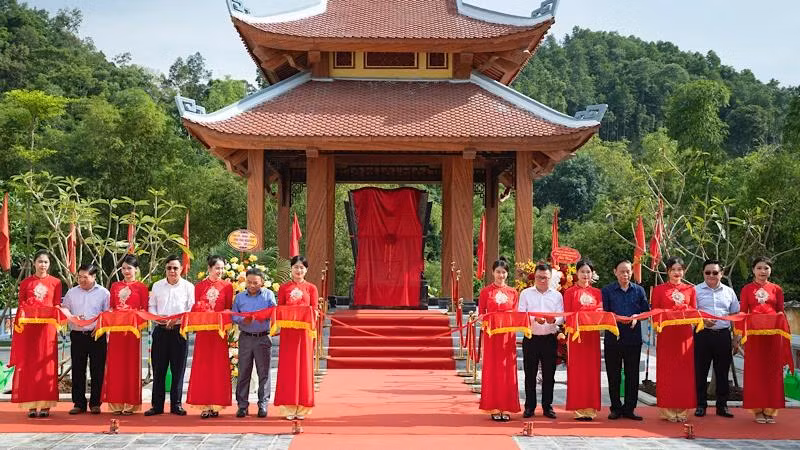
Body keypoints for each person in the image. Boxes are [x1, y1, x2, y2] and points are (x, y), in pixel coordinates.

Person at [10, 250, 63, 418]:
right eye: (40, 261)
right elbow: (21, 306)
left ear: (50, 264)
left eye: (46, 262)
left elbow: (56, 306)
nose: (43, 265)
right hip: (29, 331)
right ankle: (31, 405)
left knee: (46, 366)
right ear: (34, 263)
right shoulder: (26, 283)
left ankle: (46, 405)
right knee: (29, 366)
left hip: (47, 330)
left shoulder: (56, 283)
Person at [144, 255, 194, 416]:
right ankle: (157, 405)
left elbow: (191, 308)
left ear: (181, 269)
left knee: (178, 369)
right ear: (165, 269)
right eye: (169, 268)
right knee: (159, 369)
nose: (172, 271)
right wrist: (158, 319)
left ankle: (176, 405)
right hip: (160, 330)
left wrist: (177, 320)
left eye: (175, 268)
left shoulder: (188, 286)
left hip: (179, 331)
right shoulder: (157, 286)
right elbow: (151, 306)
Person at [187, 255, 234, 418]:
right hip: (204, 334)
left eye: (222, 268)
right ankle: (204, 405)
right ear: (209, 268)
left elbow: (228, 309)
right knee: (203, 366)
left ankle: (216, 404)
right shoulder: (199, 287)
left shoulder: (228, 287)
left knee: (218, 367)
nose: (220, 271)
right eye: (217, 268)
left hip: (219, 334)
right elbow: (197, 308)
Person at [651, 256, 697, 423]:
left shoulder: (690, 289)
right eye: (673, 270)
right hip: (667, 335)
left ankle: (682, 410)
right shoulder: (659, 290)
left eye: (680, 269)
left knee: (684, 373)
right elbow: (655, 312)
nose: (677, 273)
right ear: (668, 271)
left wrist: (684, 309)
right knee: (668, 372)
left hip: (685, 335)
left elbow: (694, 311)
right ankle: (668, 410)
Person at [740, 256, 785, 424]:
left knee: (772, 371)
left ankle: (770, 410)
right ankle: (757, 410)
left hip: (773, 336)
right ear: (753, 270)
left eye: (766, 268)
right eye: (759, 268)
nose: (762, 271)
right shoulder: (746, 289)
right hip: (754, 337)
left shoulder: (777, 289)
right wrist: (738, 336)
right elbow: (743, 312)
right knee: (756, 372)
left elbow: (780, 311)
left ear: (770, 270)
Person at [602, 259, 649, 421]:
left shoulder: (639, 291)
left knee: (632, 374)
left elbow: (646, 311)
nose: (625, 274)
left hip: (633, 339)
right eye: (622, 271)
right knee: (613, 374)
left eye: (628, 271)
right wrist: (616, 318)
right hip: (613, 338)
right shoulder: (607, 291)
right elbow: (604, 313)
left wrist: (637, 317)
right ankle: (615, 407)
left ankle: (630, 408)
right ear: (615, 272)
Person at [61, 263, 111, 415]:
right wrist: (72, 317)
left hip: (97, 335)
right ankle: (79, 403)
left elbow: (108, 313)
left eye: (86, 277)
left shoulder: (103, 293)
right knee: (78, 369)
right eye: (80, 277)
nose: (82, 280)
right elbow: (65, 309)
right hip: (78, 335)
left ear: (94, 277)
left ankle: (95, 403)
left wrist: (100, 326)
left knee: (97, 370)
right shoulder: (71, 293)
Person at [103, 254, 149, 415]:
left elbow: (144, 310)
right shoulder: (115, 286)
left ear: (136, 269)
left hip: (132, 333)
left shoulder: (142, 288)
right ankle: (116, 404)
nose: (126, 271)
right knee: (115, 366)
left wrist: (133, 315)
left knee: (131, 366)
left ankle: (130, 403)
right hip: (116, 332)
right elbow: (111, 308)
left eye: (129, 268)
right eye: (123, 268)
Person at [274, 255, 318, 420]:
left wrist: (304, 312)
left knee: (304, 366)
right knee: (288, 367)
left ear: (306, 269)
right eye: (296, 267)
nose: (299, 270)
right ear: (291, 269)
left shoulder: (311, 288)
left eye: (302, 267)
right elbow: (280, 308)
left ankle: (303, 406)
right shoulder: (284, 288)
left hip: (304, 333)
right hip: (288, 333)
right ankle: (288, 407)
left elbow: (314, 310)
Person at [693, 259, 739, 418]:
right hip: (702, 335)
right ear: (703, 273)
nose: (711, 275)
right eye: (707, 272)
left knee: (722, 372)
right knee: (700, 371)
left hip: (723, 335)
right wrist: (702, 321)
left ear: (722, 273)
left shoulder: (729, 292)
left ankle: (722, 406)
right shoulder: (695, 291)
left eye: (715, 272)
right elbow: (690, 314)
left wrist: (736, 338)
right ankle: (700, 405)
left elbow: (735, 316)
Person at [517, 262, 563, 419]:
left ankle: (547, 406)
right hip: (531, 338)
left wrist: (554, 320)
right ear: (534, 277)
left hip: (549, 338)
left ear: (551, 278)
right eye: (539, 277)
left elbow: (561, 316)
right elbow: (520, 314)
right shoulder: (526, 294)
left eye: (545, 277)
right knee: (530, 373)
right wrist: (534, 319)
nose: (542, 280)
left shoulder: (557, 295)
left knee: (549, 374)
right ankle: (529, 406)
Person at [478, 258, 520, 421]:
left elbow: (516, 314)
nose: (500, 275)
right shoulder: (485, 292)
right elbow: (481, 313)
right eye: (498, 272)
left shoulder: (513, 292)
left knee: (507, 369)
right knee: (493, 369)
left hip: (508, 336)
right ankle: (494, 406)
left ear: (507, 274)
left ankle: (507, 407)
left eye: (503, 272)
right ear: (493, 273)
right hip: (492, 335)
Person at [232, 268, 277, 418]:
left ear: (262, 282)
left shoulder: (268, 295)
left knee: (263, 372)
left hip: (263, 337)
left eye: (255, 283)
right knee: (244, 371)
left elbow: (274, 313)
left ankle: (263, 404)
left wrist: (263, 316)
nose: (252, 285)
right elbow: (234, 315)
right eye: (249, 282)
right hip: (246, 337)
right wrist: (242, 319)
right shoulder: (239, 297)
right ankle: (242, 405)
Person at [563, 260, 603, 421]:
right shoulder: (570, 293)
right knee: (578, 372)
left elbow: (600, 311)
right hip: (576, 337)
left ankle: (591, 409)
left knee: (592, 371)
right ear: (576, 273)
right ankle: (579, 409)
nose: (585, 275)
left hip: (592, 336)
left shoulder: (597, 293)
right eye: (582, 272)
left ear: (592, 274)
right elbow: (567, 314)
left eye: (588, 272)